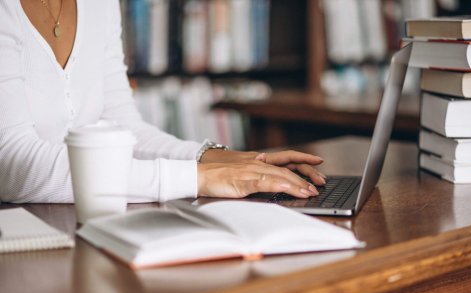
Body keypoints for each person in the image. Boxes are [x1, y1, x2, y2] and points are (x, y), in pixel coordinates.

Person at [0, 0, 325, 204]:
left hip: (81, 229)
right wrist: (197, 178)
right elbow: (13, 164)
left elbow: (123, 127)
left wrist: (228, 161)